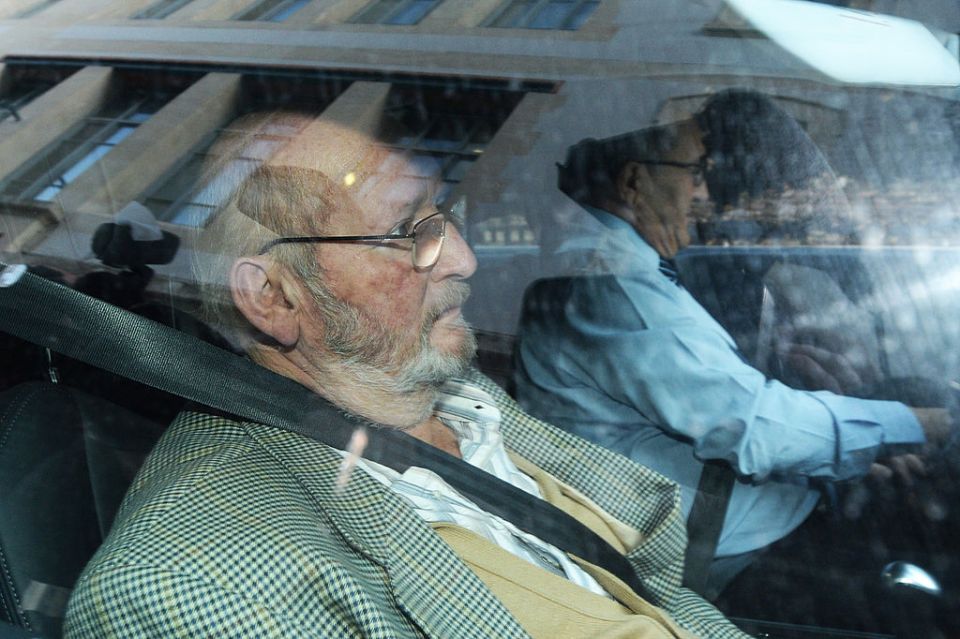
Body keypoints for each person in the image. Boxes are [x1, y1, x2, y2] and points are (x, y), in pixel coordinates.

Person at [63, 110, 748, 638]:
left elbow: (656, 594)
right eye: (406, 233)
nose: (464, 260)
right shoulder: (191, 586)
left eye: (442, 216)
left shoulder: (451, 395)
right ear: (274, 297)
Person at [513, 94, 955, 595]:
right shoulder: (614, 288)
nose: (705, 192)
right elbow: (754, 427)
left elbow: (711, 398)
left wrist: (853, 454)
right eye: (694, 171)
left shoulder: (618, 270)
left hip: (721, 511)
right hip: (721, 545)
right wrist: (927, 423)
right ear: (635, 182)